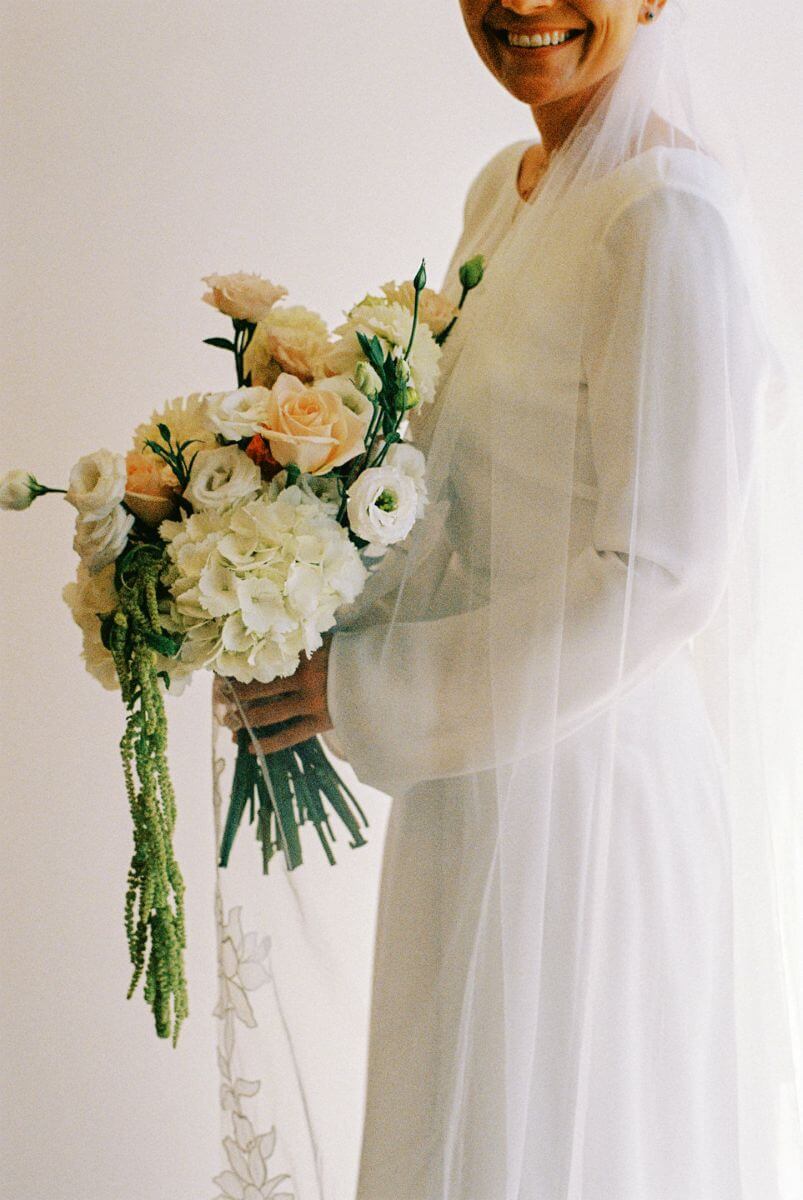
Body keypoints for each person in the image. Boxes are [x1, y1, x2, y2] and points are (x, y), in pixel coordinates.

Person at [216, 2, 802, 1197]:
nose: (523, 5)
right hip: (469, 784)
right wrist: (282, 592)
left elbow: (660, 575)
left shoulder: (666, 216)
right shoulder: (505, 187)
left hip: (587, 801)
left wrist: (362, 686)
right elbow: (453, 487)